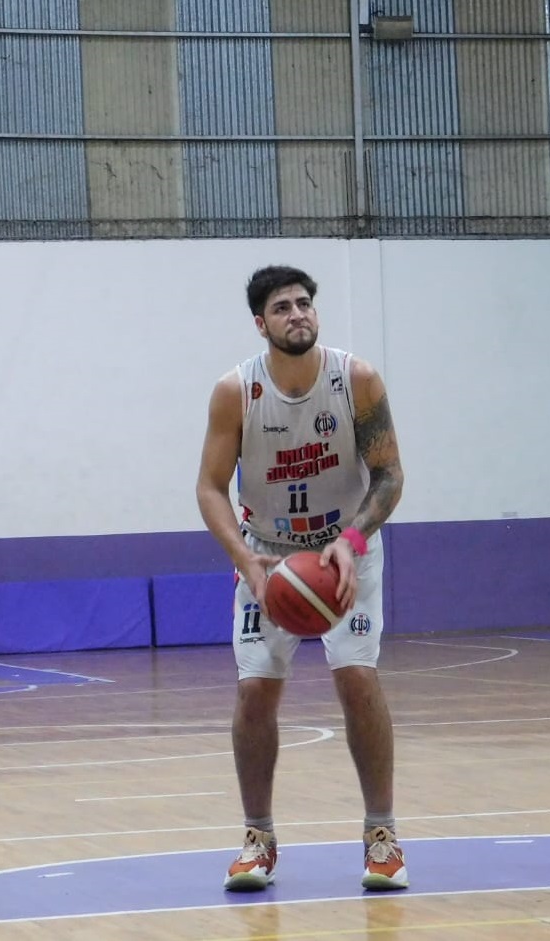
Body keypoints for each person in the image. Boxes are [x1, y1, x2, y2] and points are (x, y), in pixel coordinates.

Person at [196, 265, 408, 892]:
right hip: (267, 553)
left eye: (305, 303)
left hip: (346, 547)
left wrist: (349, 540)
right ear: (261, 323)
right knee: (255, 692)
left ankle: (382, 835)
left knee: (356, 677)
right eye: (283, 307)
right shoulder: (236, 392)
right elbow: (209, 487)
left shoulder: (356, 380)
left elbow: (390, 475)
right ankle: (257, 838)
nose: (299, 314)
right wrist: (243, 558)